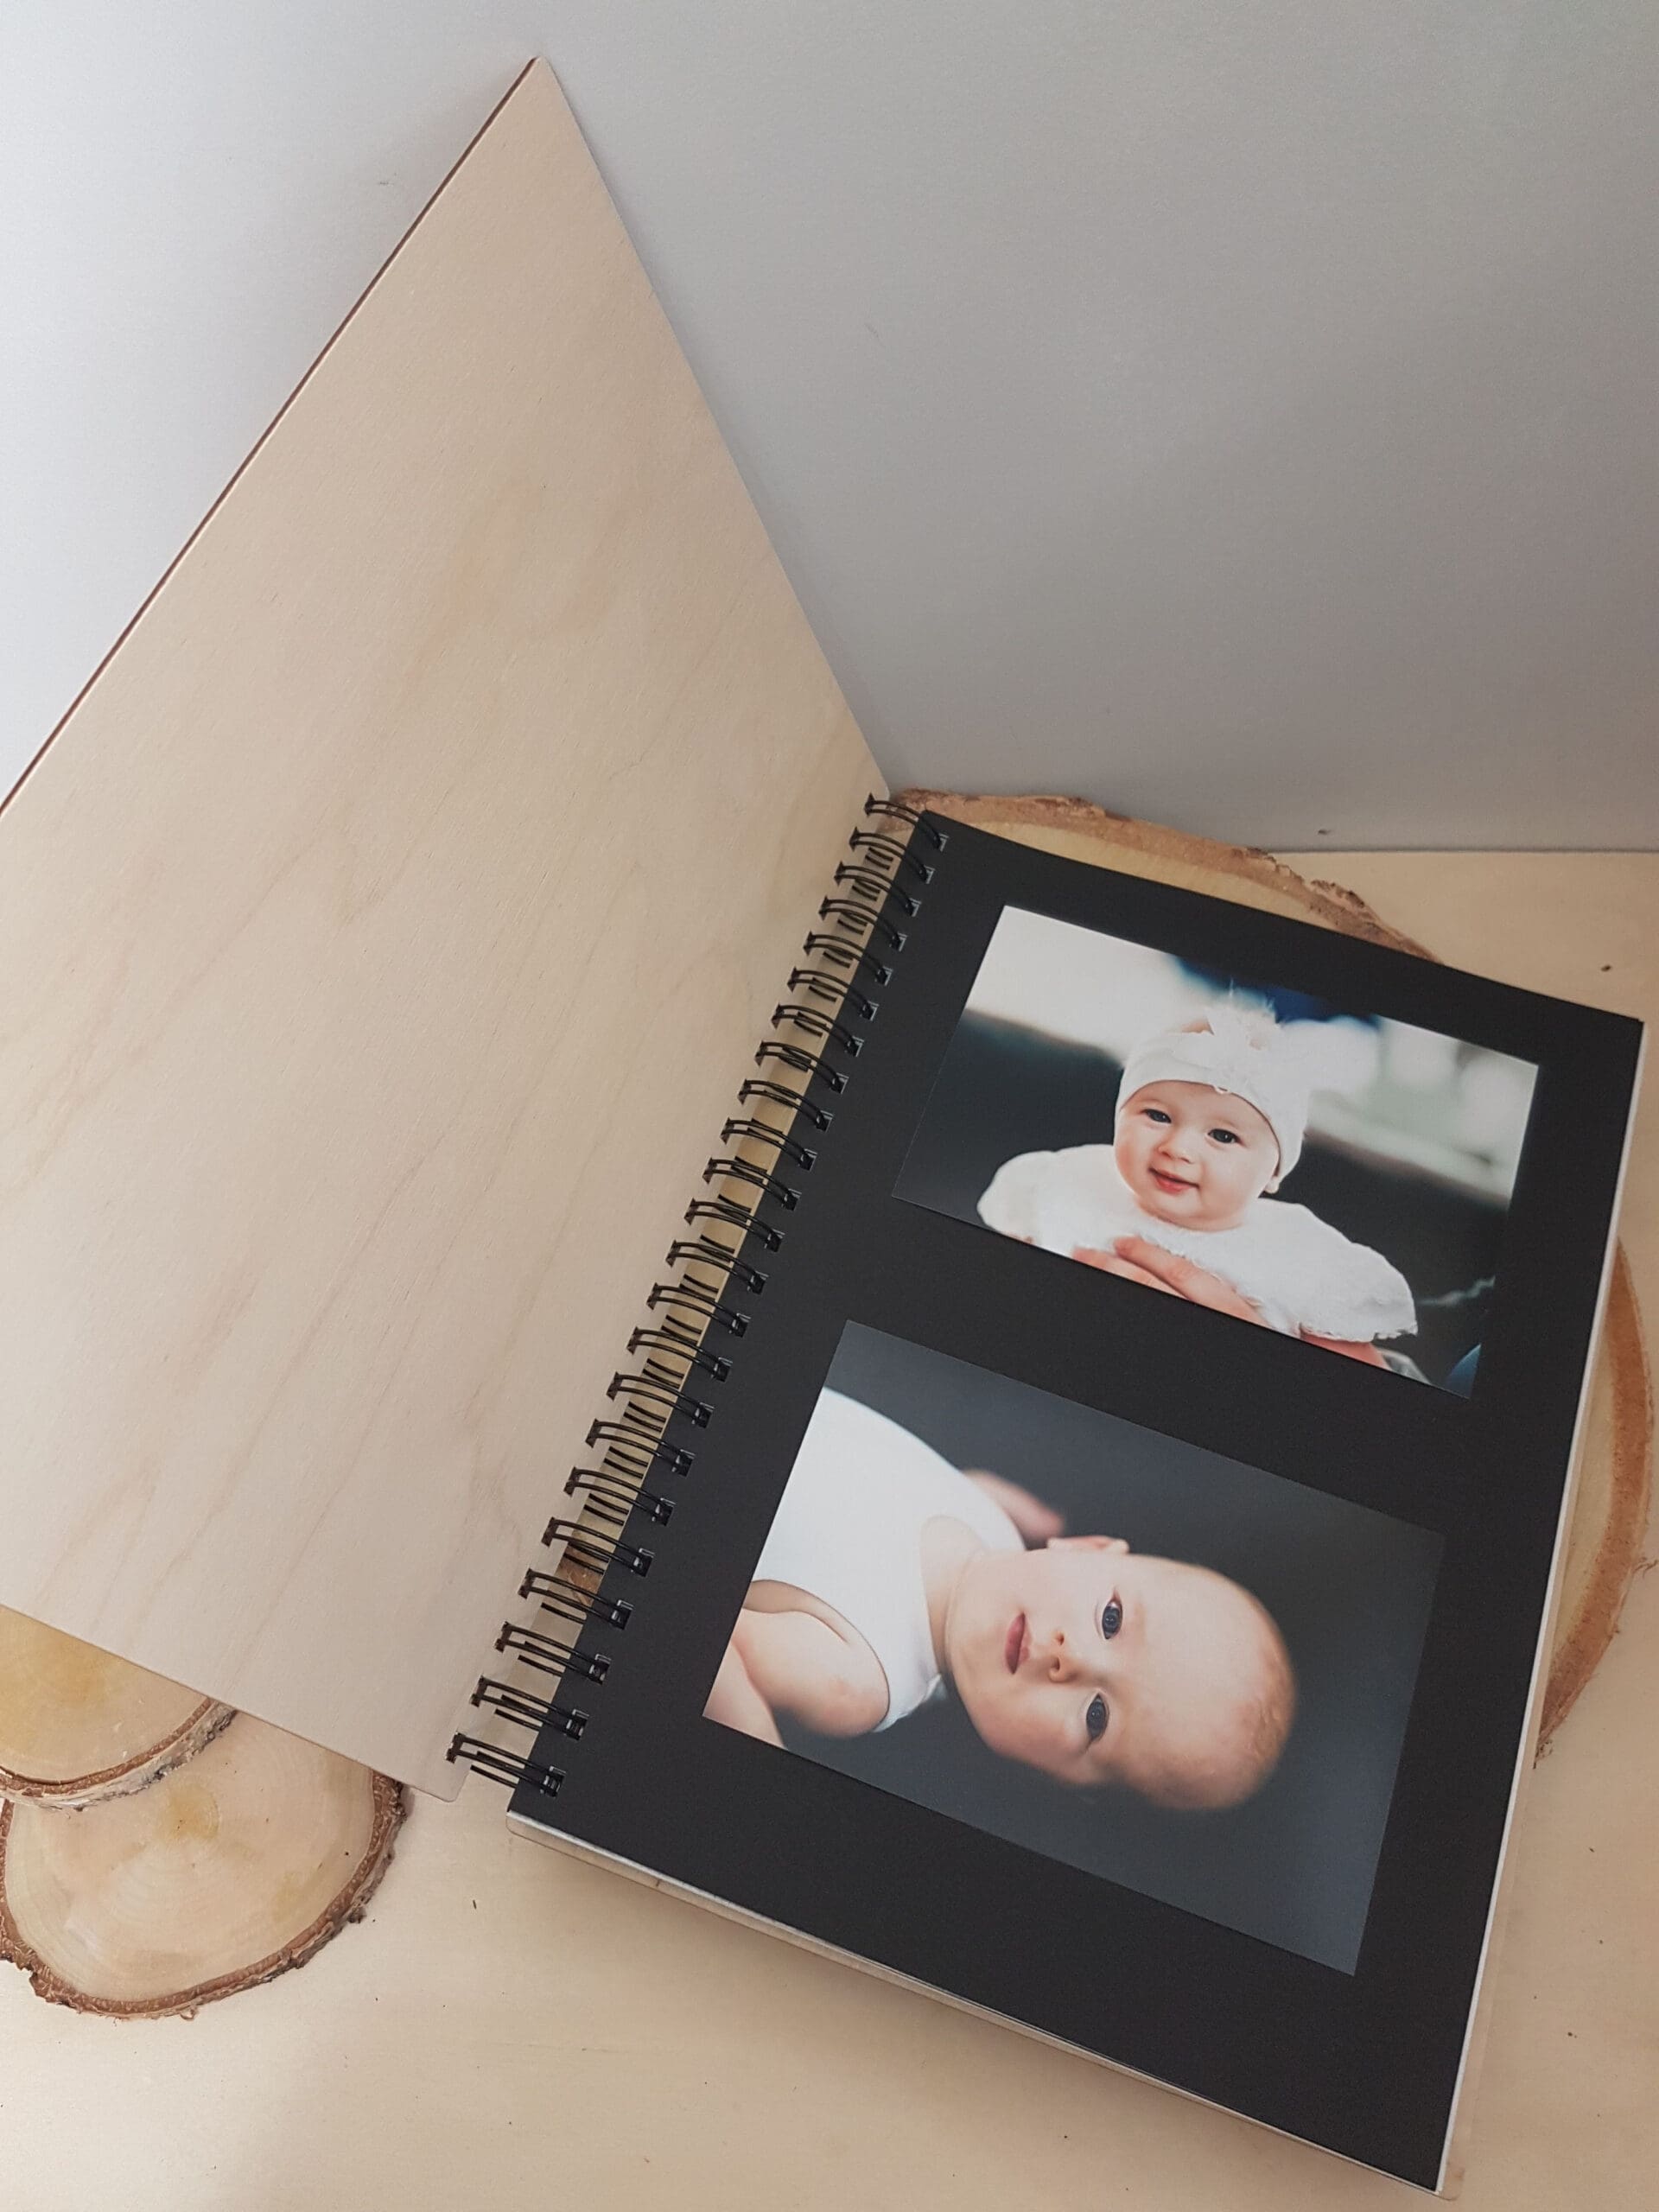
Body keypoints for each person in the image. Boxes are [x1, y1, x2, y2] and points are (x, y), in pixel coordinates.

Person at [705, 1388, 1294, 1810]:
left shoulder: (855, 1679)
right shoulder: (989, 1523)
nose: (1071, 1657)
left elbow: (715, 1643)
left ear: (1055, 1775)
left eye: (1096, 1716)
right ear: (1087, 1547)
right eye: (1111, 1619)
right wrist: (974, 1493)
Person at [977, 1001, 1414, 1363]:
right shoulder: (1066, 1178)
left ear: (1273, 1171)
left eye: (1223, 1136)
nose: (1177, 1148)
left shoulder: (1307, 1257)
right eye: (1157, 1115)